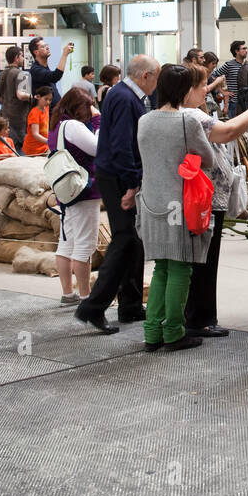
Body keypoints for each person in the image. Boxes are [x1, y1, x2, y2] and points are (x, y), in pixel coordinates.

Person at [181, 63, 248, 338]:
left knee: (204, 261)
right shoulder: (191, 117)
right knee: (204, 262)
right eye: (201, 86)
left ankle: (201, 316)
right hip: (202, 200)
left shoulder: (193, 114)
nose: (206, 90)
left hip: (208, 198)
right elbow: (229, 131)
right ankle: (200, 319)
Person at [136, 64, 217, 353]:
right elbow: (208, 158)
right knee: (181, 267)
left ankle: (151, 332)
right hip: (180, 204)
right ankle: (173, 332)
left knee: (161, 268)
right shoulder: (187, 122)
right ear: (184, 90)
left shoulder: (144, 120)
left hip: (151, 202)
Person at [76, 54, 158, 332]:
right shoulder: (124, 98)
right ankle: (93, 307)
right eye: (155, 78)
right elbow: (123, 144)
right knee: (124, 240)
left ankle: (130, 305)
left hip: (120, 173)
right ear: (145, 75)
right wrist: (132, 183)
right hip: (118, 176)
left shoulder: (125, 95)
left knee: (134, 242)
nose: (156, 86)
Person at [47, 87, 107, 309]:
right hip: (83, 189)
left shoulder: (56, 125)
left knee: (66, 242)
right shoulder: (72, 125)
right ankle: (86, 296)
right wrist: (99, 121)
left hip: (66, 191)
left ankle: (67, 293)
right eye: (87, 106)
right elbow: (97, 147)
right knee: (84, 244)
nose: (89, 111)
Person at [0, 46, 33, 151]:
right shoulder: (23, 74)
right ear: (16, 58)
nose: (23, 59)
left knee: (9, 151)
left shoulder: (2, 74)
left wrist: (8, 100)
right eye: (22, 56)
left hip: (5, 118)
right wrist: (35, 98)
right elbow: (21, 95)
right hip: (20, 120)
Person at [29, 36, 73, 107]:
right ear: (36, 52)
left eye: (47, 45)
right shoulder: (35, 70)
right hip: (46, 113)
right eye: (43, 47)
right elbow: (56, 76)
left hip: (55, 110)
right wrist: (64, 54)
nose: (47, 48)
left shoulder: (45, 67)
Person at [210, 40, 248, 114]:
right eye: (243, 49)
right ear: (236, 51)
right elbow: (213, 76)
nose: (246, 51)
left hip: (246, 102)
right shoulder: (229, 65)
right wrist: (222, 91)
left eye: (246, 48)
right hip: (234, 103)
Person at [23, 85, 54, 156]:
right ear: (38, 97)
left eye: (50, 100)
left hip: (44, 147)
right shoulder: (34, 113)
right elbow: (35, 134)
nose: (48, 102)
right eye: (46, 99)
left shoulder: (46, 108)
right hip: (33, 149)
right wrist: (48, 141)